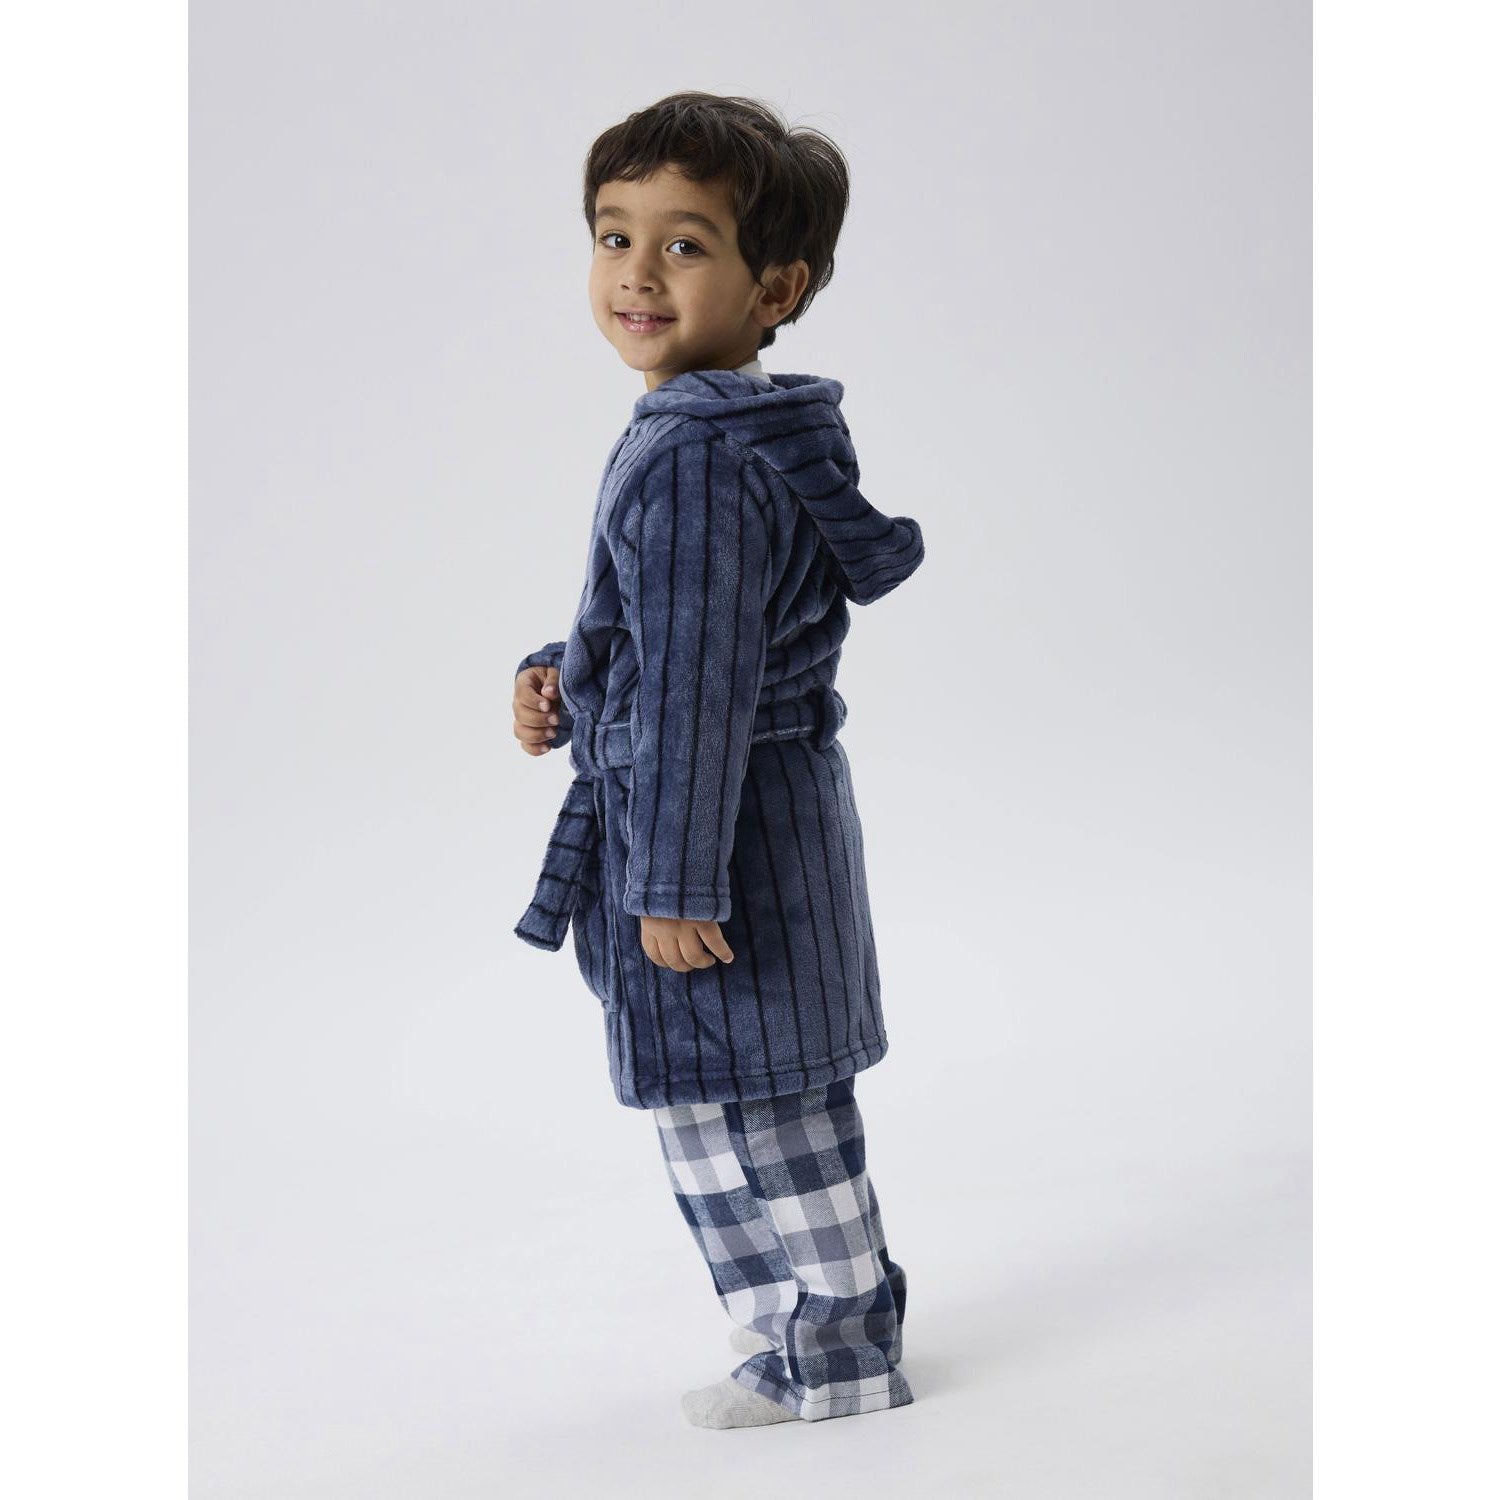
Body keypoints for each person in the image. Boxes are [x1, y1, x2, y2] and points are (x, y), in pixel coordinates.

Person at [511, 92, 925, 1428]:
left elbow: (700, 683)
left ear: (776, 288)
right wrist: (565, 672)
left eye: (685, 244)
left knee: (774, 1110)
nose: (637, 271)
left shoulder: (696, 458)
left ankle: (840, 1361)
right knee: (707, 1107)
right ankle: (780, 1343)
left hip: (720, 838)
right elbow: (670, 629)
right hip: (721, 815)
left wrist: (678, 880)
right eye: (613, 235)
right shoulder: (719, 434)